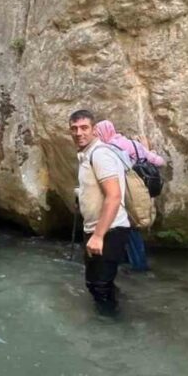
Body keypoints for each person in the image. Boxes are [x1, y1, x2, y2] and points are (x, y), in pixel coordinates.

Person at [70, 109, 131, 312]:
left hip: (108, 230)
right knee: (101, 283)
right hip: (103, 230)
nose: (79, 133)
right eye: (74, 129)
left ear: (94, 130)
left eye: (84, 128)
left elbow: (113, 196)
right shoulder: (88, 155)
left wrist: (98, 235)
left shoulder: (100, 154)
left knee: (98, 285)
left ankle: (112, 328)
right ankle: (115, 314)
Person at [94, 119, 164, 272]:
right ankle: (132, 263)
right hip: (142, 190)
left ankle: (138, 266)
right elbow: (160, 162)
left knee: (129, 226)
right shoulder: (133, 144)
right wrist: (147, 151)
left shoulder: (109, 148)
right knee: (133, 226)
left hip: (126, 192)